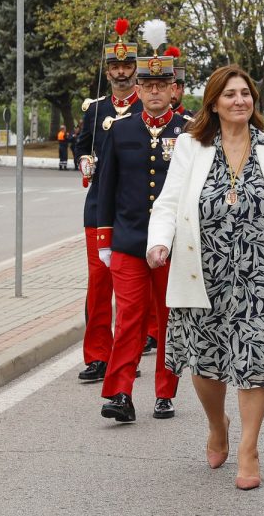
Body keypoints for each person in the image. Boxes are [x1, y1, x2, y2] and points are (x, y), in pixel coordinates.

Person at [147, 64, 264, 490]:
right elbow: (168, 202)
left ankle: (249, 447)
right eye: (230, 94)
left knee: (254, 362)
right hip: (202, 274)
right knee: (206, 364)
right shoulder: (191, 146)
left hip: (263, 277)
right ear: (214, 103)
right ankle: (217, 426)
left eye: (245, 93)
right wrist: (159, 242)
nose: (239, 100)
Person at [95, 27, 185, 422]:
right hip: (130, 241)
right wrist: (105, 238)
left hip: (174, 246)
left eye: (161, 85)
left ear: (173, 90)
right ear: (138, 88)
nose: (154, 92)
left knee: (168, 321)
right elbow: (106, 186)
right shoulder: (121, 129)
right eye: (147, 85)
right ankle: (120, 393)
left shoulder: (188, 132)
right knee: (129, 319)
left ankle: (165, 393)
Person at [75, 18, 144, 382]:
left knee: (132, 289)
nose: (121, 72)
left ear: (135, 69)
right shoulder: (95, 109)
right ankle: (98, 355)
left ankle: (129, 354)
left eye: (127, 65)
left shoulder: (146, 108)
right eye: (115, 66)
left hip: (134, 210)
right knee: (99, 284)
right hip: (99, 208)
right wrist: (83, 160)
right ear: (107, 71)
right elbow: (81, 145)